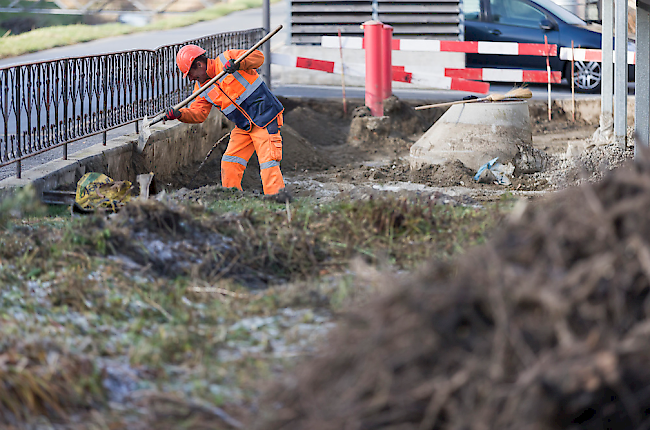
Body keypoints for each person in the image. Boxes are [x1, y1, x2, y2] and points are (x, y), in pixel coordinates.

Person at [165, 44, 287, 197]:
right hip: (245, 127)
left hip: (265, 118)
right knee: (230, 162)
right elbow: (199, 113)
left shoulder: (227, 58)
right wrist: (179, 114)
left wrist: (239, 64)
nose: (190, 78)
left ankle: (278, 201)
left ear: (199, 64)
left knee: (268, 163)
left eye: (190, 73)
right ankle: (232, 198)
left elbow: (258, 57)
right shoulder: (202, 88)